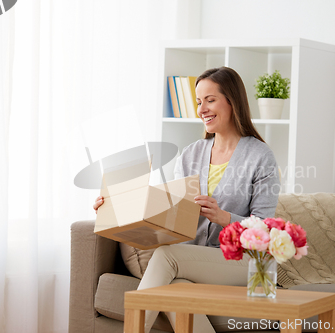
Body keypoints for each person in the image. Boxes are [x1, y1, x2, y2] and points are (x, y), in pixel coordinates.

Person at [93, 67, 280, 333]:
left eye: (210, 100)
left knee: (167, 256)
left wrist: (224, 218)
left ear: (232, 101)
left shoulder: (261, 157)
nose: (202, 109)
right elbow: (169, 207)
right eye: (198, 102)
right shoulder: (190, 154)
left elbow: (266, 230)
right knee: (176, 288)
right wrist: (112, 204)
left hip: (246, 261)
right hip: (196, 257)